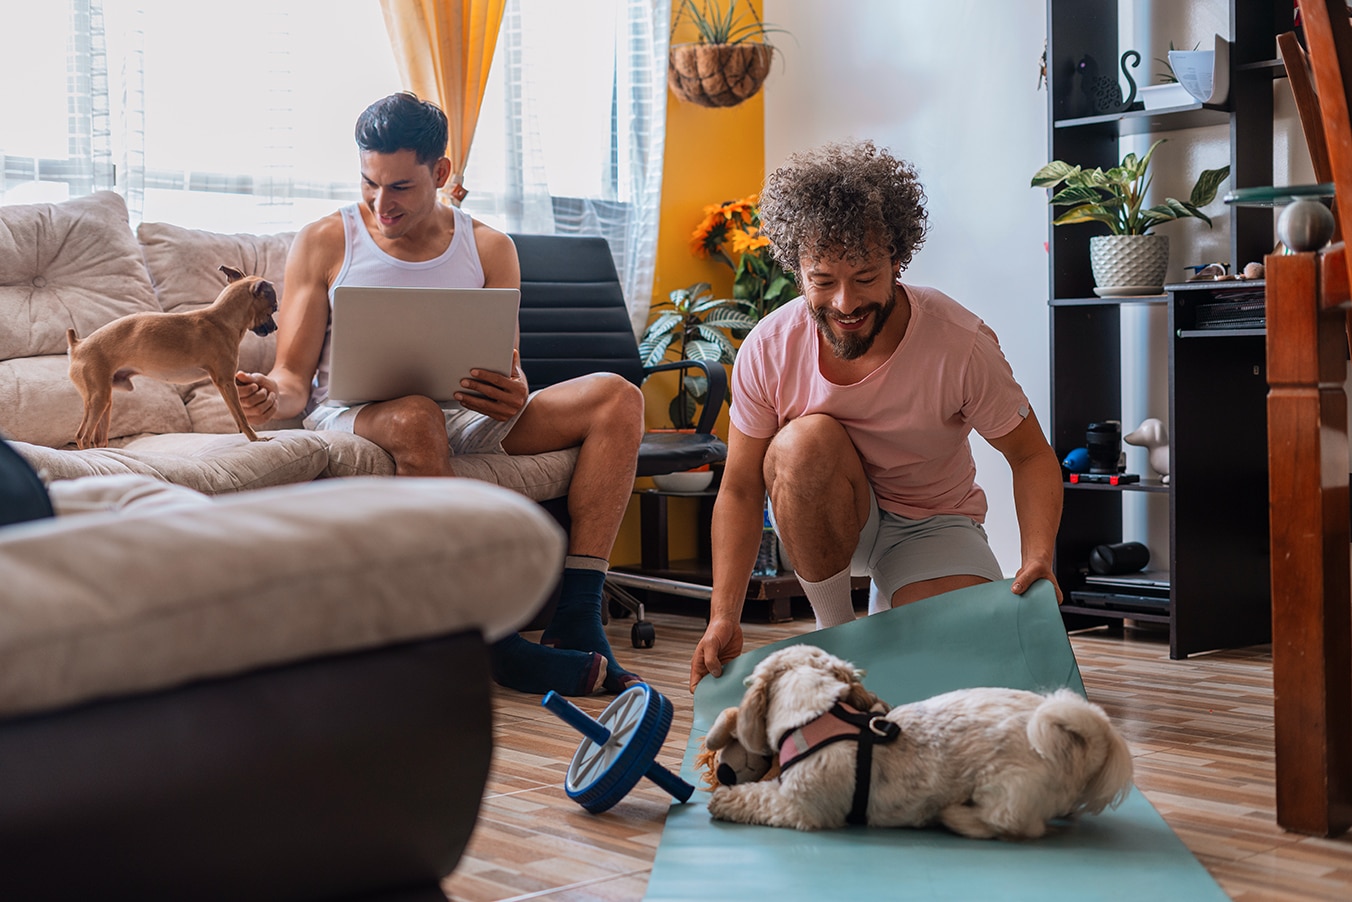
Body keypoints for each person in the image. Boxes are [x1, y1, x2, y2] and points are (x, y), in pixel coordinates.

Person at [235, 92, 645, 697]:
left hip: (462, 412)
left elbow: (511, 367)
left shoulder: (487, 248)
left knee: (617, 396)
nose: (381, 204)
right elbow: (295, 380)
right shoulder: (325, 240)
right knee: (416, 415)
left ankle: (577, 616)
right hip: (352, 415)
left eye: (399, 187)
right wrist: (271, 394)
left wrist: (513, 392)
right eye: (369, 184)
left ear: (441, 173)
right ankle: (490, 638)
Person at [689, 139, 1064, 692]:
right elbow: (741, 489)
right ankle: (834, 639)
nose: (844, 302)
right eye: (823, 280)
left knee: (958, 679)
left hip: (933, 522)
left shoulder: (959, 343)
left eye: (865, 277)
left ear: (897, 260)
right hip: (824, 515)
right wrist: (723, 615)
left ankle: (896, 608)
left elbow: (1031, 456)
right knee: (802, 443)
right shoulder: (769, 347)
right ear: (798, 270)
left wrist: (1038, 558)